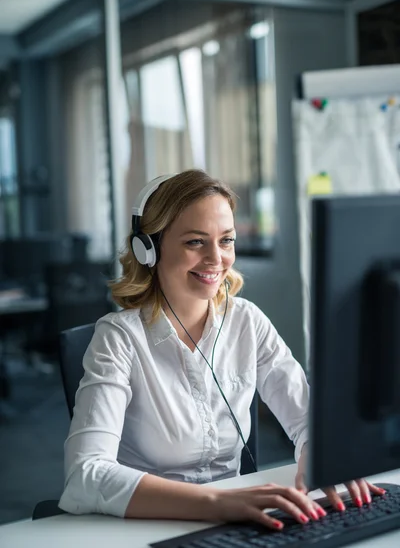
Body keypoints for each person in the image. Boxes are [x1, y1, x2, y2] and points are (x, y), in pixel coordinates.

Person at [59, 169, 384, 529]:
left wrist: (321, 457)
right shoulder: (118, 339)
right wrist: (216, 503)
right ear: (148, 249)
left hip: (237, 520)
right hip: (149, 525)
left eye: (226, 240)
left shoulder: (247, 321)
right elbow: (86, 474)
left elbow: (308, 418)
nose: (216, 258)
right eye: (195, 242)